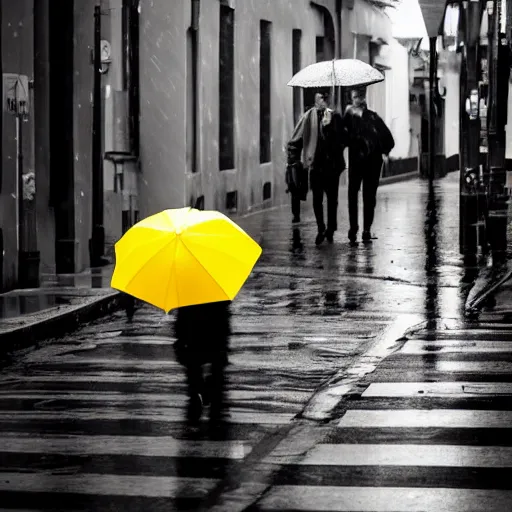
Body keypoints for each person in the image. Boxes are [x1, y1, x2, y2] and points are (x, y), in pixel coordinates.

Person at [287, 91, 347, 245]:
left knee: (332, 200)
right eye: (321, 97)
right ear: (315, 100)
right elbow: (296, 140)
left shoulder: (336, 117)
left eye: (327, 97)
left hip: (332, 167)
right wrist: (293, 160)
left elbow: (343, 141)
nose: (324, 100)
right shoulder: (308, 117)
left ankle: (331, 228)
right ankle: (321, 227)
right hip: (315, 165)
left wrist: (329, 128)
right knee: (317, 199)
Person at [343, 87, 395, 244]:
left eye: (360, 96)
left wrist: (384, 153)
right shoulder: (348, 119)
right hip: (356, 162)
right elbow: (342, 138)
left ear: (364, 98)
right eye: (355, 97)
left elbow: (389, 139)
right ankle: (353, 228)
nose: (358, 99)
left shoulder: (373, 117)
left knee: (369, 197)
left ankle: (366, 229)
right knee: (353, 195)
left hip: (372, 163)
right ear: (351, 99)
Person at [173, 300, 231, 424]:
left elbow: (181, 320)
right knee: (214, 370)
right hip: (214, 336)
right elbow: (224, 318)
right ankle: (208, 393)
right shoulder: (217, 294)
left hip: (194, 336)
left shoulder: (186, 294)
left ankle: (201, 394)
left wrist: (180, 339)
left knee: (194, 370)